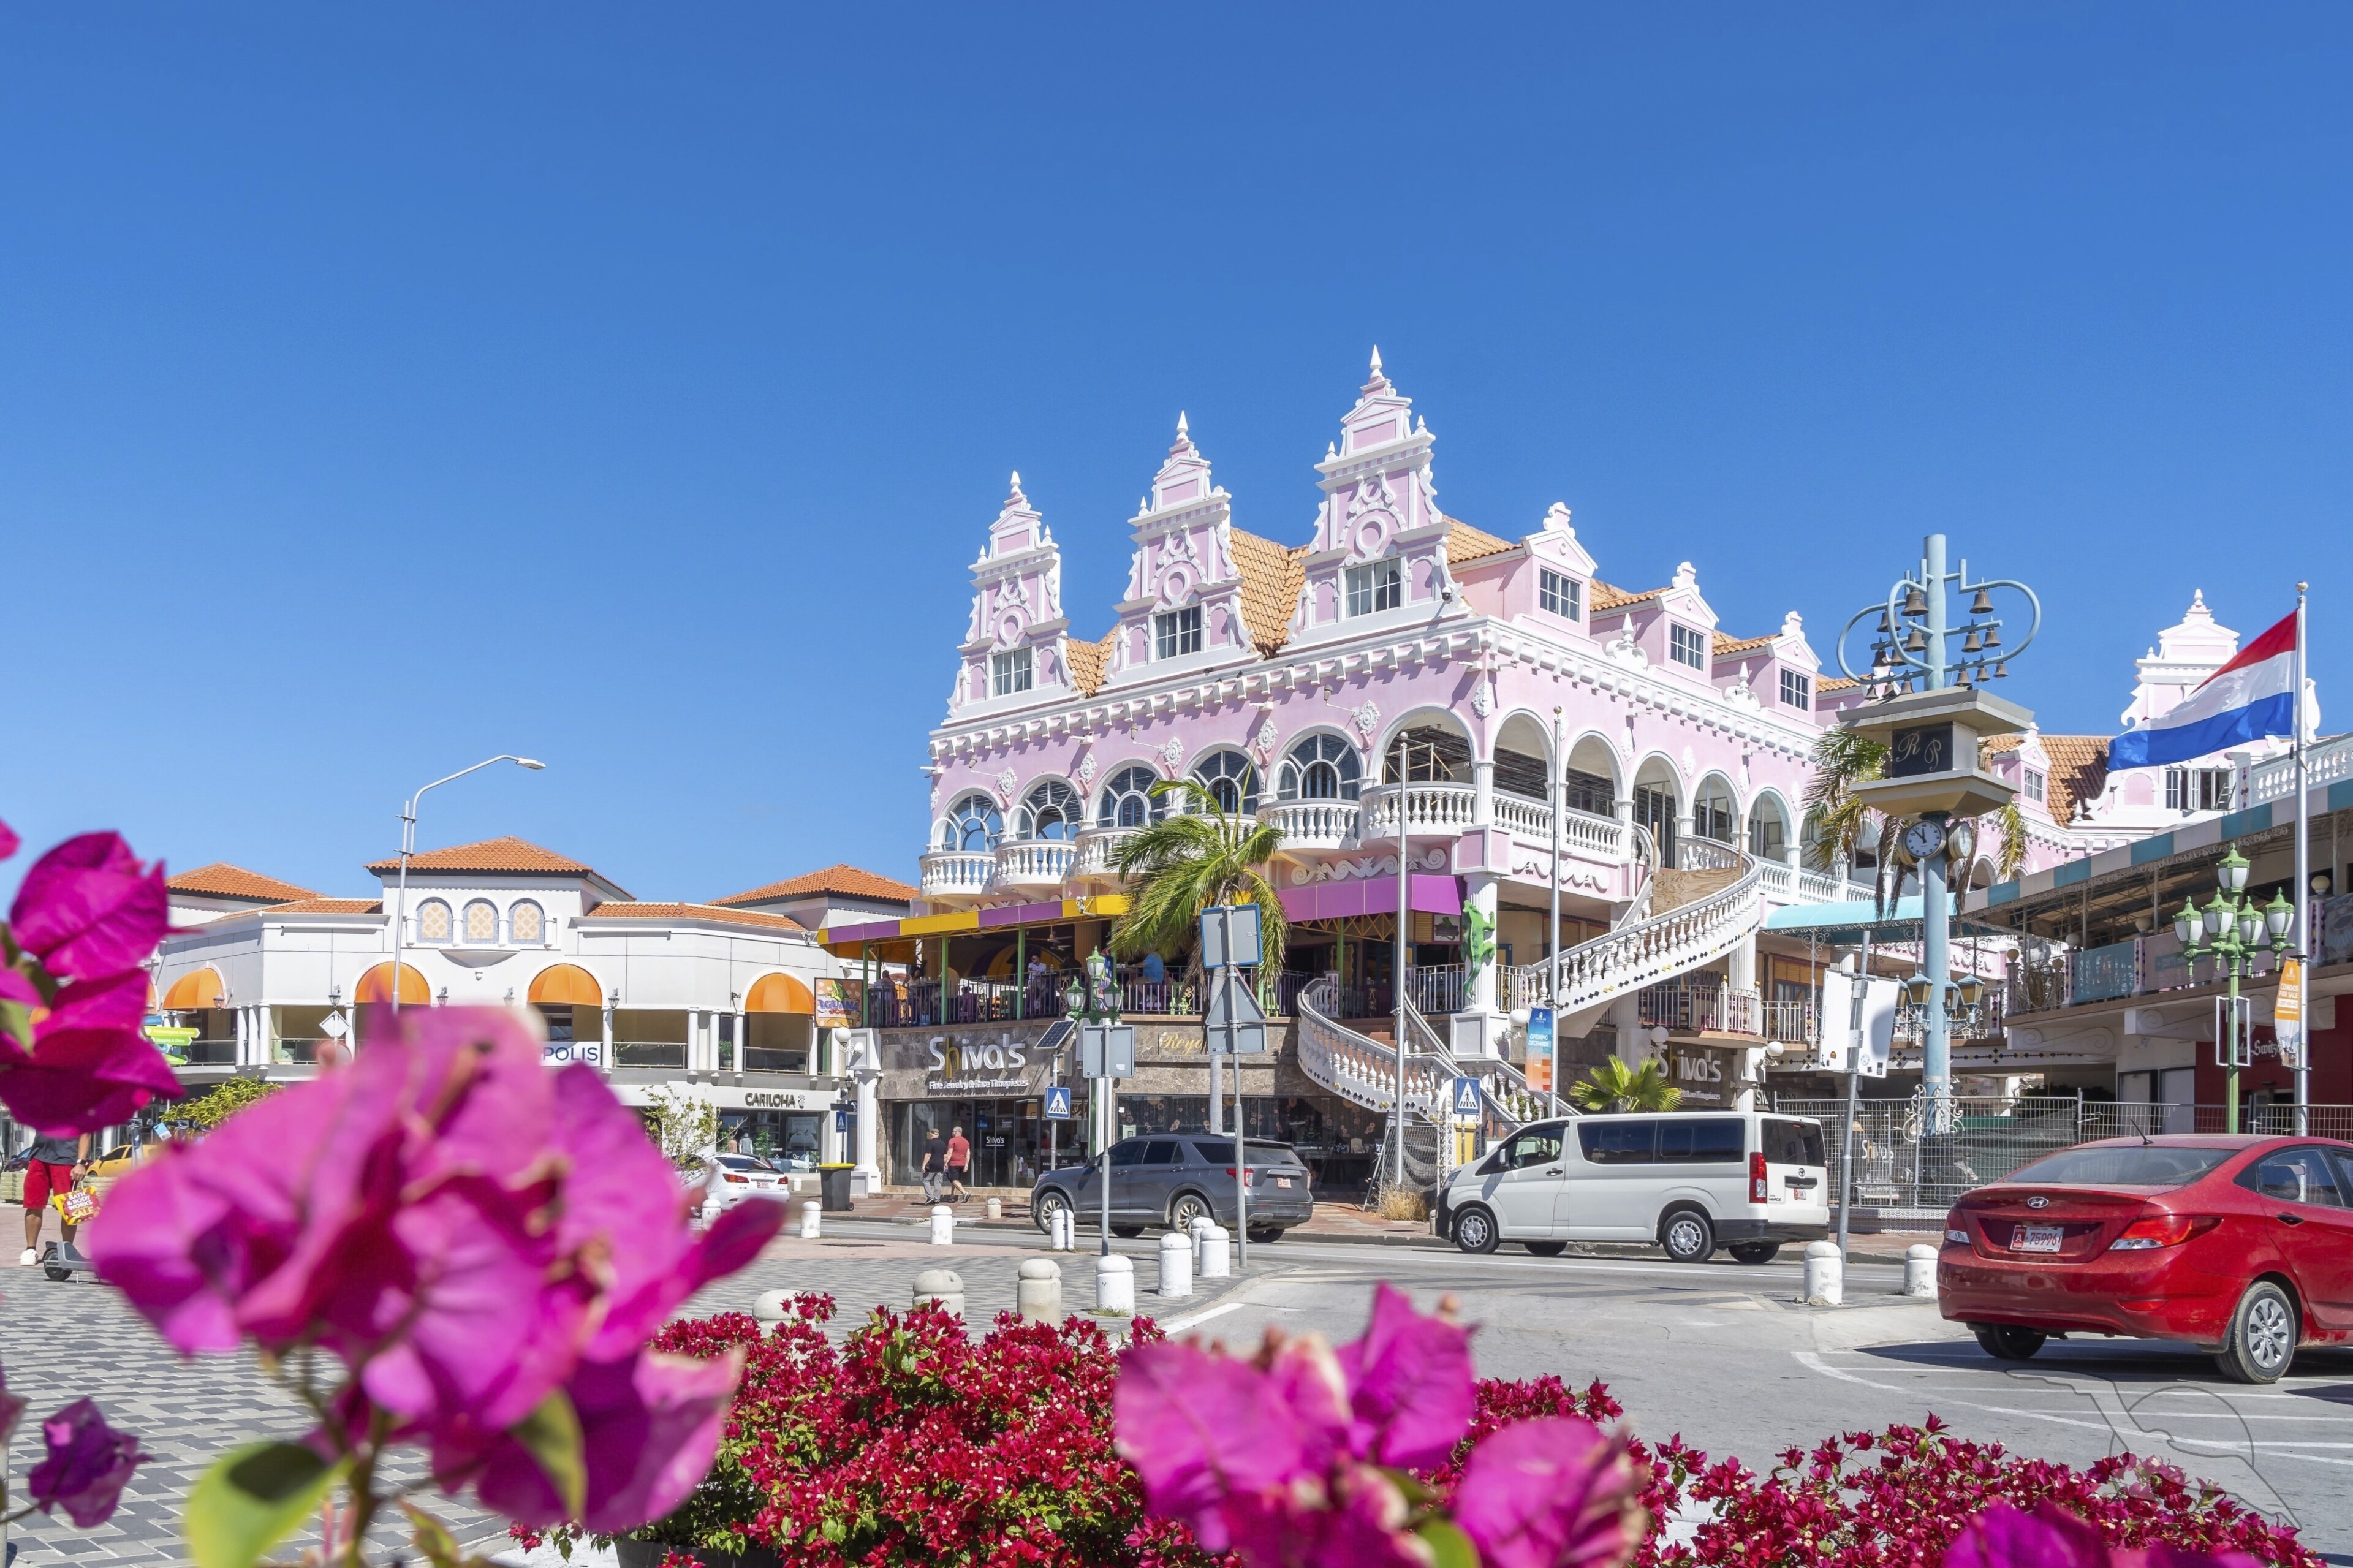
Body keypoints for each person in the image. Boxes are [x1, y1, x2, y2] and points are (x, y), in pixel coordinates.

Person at [21, 1129, 91, 1266]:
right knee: (33, 1204)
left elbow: (86, 1132)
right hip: (39, 1157)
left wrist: (81, 1163)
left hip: (66, 1160)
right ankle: (30, 1250)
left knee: (68, 1209)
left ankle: (68, 1249)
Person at [920, 1125, 947, 1205]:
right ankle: (937, 1199)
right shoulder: (943, 1143)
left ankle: (930, 1197)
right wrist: (945, 1164)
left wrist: (924, 1165)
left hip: (932, 1166)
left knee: (926, 1180)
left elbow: (928, 1155)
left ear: (932, 1134)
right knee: (938, 1183)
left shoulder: (930, 1143)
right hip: (940, 1166)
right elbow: (945, 1156)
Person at [945, 1124, 971, 1202]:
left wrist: (946, 1163)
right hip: (962, 1164)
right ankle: (952, 1197)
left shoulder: (952, 1141)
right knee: (956, 1180)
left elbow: (950, 1152)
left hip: (954, 1163)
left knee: (953, 1180)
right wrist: (967, 1164)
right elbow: (968, 1154)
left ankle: (965, 1193)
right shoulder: (966, 1142)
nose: (952, 1133)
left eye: (953, 1132)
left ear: (955, 1132)